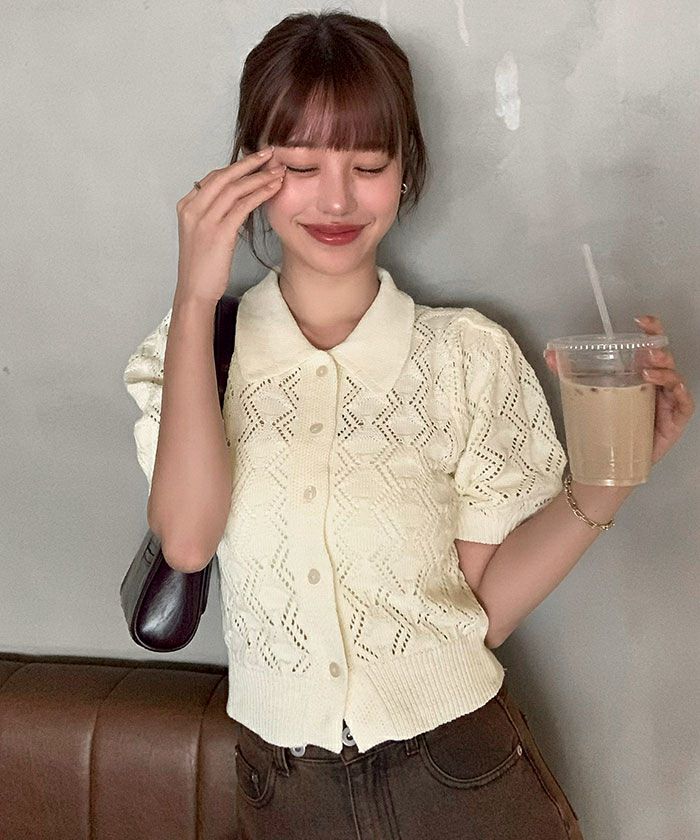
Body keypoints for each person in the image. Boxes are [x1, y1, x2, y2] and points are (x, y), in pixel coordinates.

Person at [122, 11, 694, 840]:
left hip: (462, 773)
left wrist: (610, 477)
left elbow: (480, 610)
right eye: (301, 165)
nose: (337, 198)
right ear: (248, 169)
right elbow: (187, 540)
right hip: (287, 794)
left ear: (405, 170)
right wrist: (195, 292)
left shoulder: (466, 357)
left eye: (369, 164)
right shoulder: (189, 353)